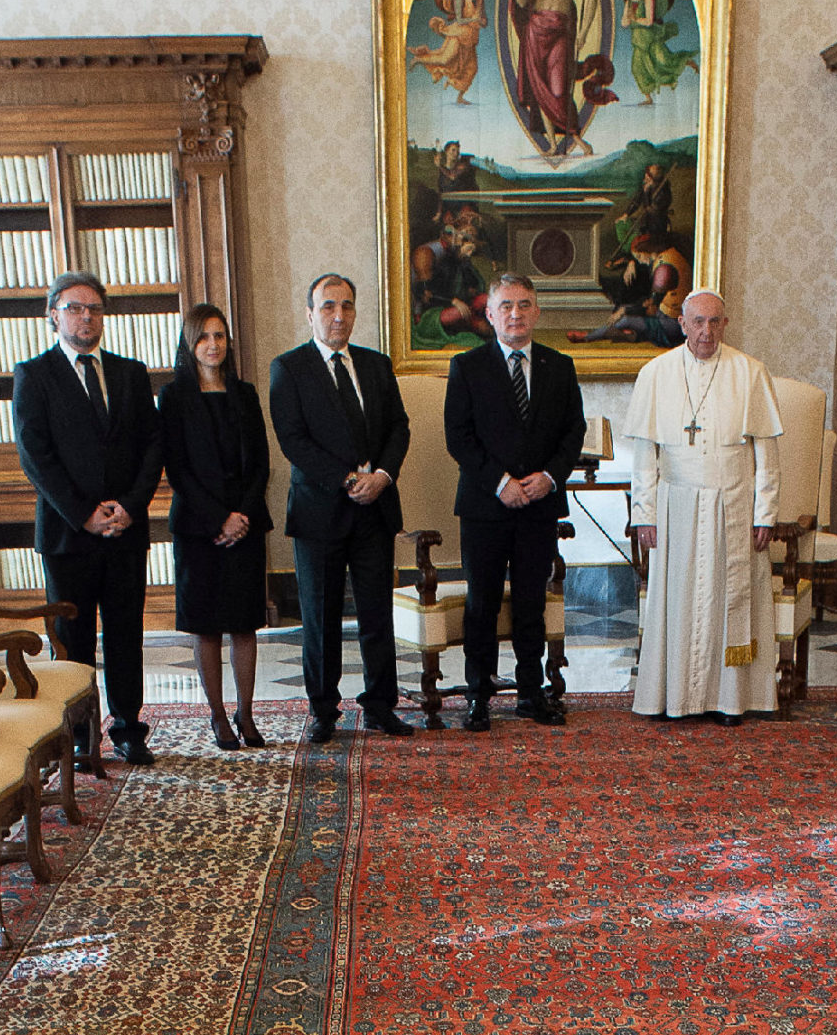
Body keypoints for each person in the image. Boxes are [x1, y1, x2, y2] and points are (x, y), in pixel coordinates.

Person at [11, 270, 164, 766]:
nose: (86, 317)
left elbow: (152, 446)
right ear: (53, 315)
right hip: (67, 534)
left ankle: (128, 728)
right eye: (75, 308)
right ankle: (79, 734)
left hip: (124, 529)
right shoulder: (34, 375)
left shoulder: (130, 373)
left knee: (125, 634)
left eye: (95, 308)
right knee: (72, 641)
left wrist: (130, 506)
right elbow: (35, 455)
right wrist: (84, 514)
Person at [626, 290, 784, 722]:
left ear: (725, 324)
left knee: (729, 602)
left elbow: (767, 456)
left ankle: (731, 699)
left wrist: (765, 514)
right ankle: (673, 697)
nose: (706, 331)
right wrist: (644, 514)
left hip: (734, 505)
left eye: (715, 321)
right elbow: (645, 456)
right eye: (697, 321)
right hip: (675, 507)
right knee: (677, 604)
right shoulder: (655, 373)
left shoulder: (750, 372)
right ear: (681, 323)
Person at [268, 273, 413, 740]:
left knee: (377, 614)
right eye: (328, 306)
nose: (338, 315)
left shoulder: (376, 364)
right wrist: (348, 479)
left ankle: (380, 705)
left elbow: (399, 427)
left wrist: (382, 477)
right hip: (320, 512)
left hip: (375, 508)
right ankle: (324, 711)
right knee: (321, 617)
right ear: (310, 314)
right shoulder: (289, 368)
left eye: (347, 305)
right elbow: (293, 440)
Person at [444, 275, 587, 733]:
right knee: (481, 604)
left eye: (524, 304)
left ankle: (530, 693)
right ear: (490, 313)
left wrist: (550, 478)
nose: (516, 314)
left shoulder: (559, 366)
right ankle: (478, 696)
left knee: (530, 603)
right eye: (506, 305)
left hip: (539, 506)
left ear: (537, 312)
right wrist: (501, 483)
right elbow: (459, 438)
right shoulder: (467, 366)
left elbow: (574, 432)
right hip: (485, 507)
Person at [157, 304, 272, 751]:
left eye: (219, 335)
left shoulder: (245, 394)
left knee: (245, 624)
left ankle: (247, 713)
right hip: (198, 528)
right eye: (203, 337)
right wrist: (218, 519)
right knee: (206, 625)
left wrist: (241, 515)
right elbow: (178, 469)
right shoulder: (173, 397)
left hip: (245, 524)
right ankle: (219, 715)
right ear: (190, 344)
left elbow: (260, 463)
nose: (213, 344)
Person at [501, 0, 595, 161]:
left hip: (561, 26)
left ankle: (575, 136)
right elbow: (522, 0)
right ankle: (553, 144)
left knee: (558, 88)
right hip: (536, 27)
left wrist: (584, 33)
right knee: (540, 88)